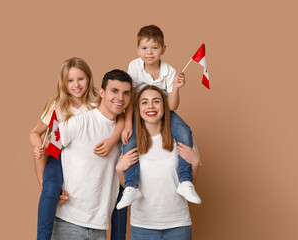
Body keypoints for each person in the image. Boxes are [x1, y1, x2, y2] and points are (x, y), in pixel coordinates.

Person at [29, 58, 126, 240]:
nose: (76, 85)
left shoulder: (99, 100)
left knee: (121, 191)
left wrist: (112, 141)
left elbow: (122, 117)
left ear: (89, 79)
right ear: (63, 84)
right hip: (58, 155)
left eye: (80, 79)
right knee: (49, 190)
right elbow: (37, 134)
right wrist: (38, 147)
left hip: (96, 166)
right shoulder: (58, 105)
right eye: (70, 81)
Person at [117, 25, 201, 209]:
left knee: (185, 132)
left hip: (162, 112)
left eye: (154, 48)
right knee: (130, 142)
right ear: (138, 49)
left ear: (163, 49)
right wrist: (127, 124)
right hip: (140, 112)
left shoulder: (169, 71)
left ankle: (185, 181)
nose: (149, 53)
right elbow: (130, 98)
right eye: (145, 48)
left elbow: (172, 106)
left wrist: (176, 88)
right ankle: (131, 186)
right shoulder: (134, 66)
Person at [51, 69, 132, 240]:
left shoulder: (125, 132)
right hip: (68, 221)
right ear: (101, 92)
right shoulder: (78, 122)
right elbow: (46, 152)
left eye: (126, 93)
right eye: (114, 91)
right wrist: (49, 189)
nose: (120, 98)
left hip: (100, 226)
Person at [116, 86, 201, 240]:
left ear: (164, 106)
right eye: (144, 102)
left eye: (156, 101)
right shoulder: (130, 142)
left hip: (178, 224)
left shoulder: (181, 139)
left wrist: (195, 162)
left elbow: (189, 182)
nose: (150, 106)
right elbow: (127, 186)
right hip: (142, 226)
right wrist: (119, 170)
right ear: (138, 109)